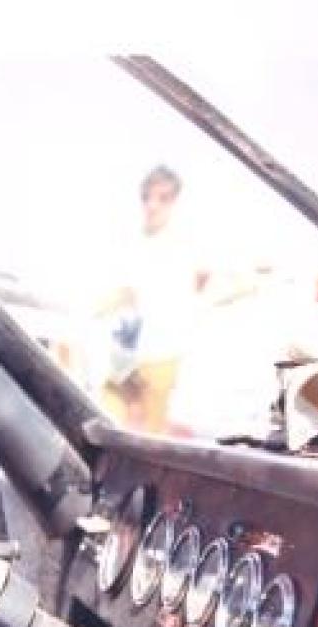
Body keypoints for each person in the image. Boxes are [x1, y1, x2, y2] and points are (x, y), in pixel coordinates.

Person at [96, 165, 210, 433]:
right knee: (107, 421)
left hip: (163, 354)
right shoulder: (131, 241)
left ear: (175, 202)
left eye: (162, 198)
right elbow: (123, 294)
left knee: (151, 436)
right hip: (126, 350)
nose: (152, 205)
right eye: (146, 197)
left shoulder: (187, 245)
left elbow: (205, 281)